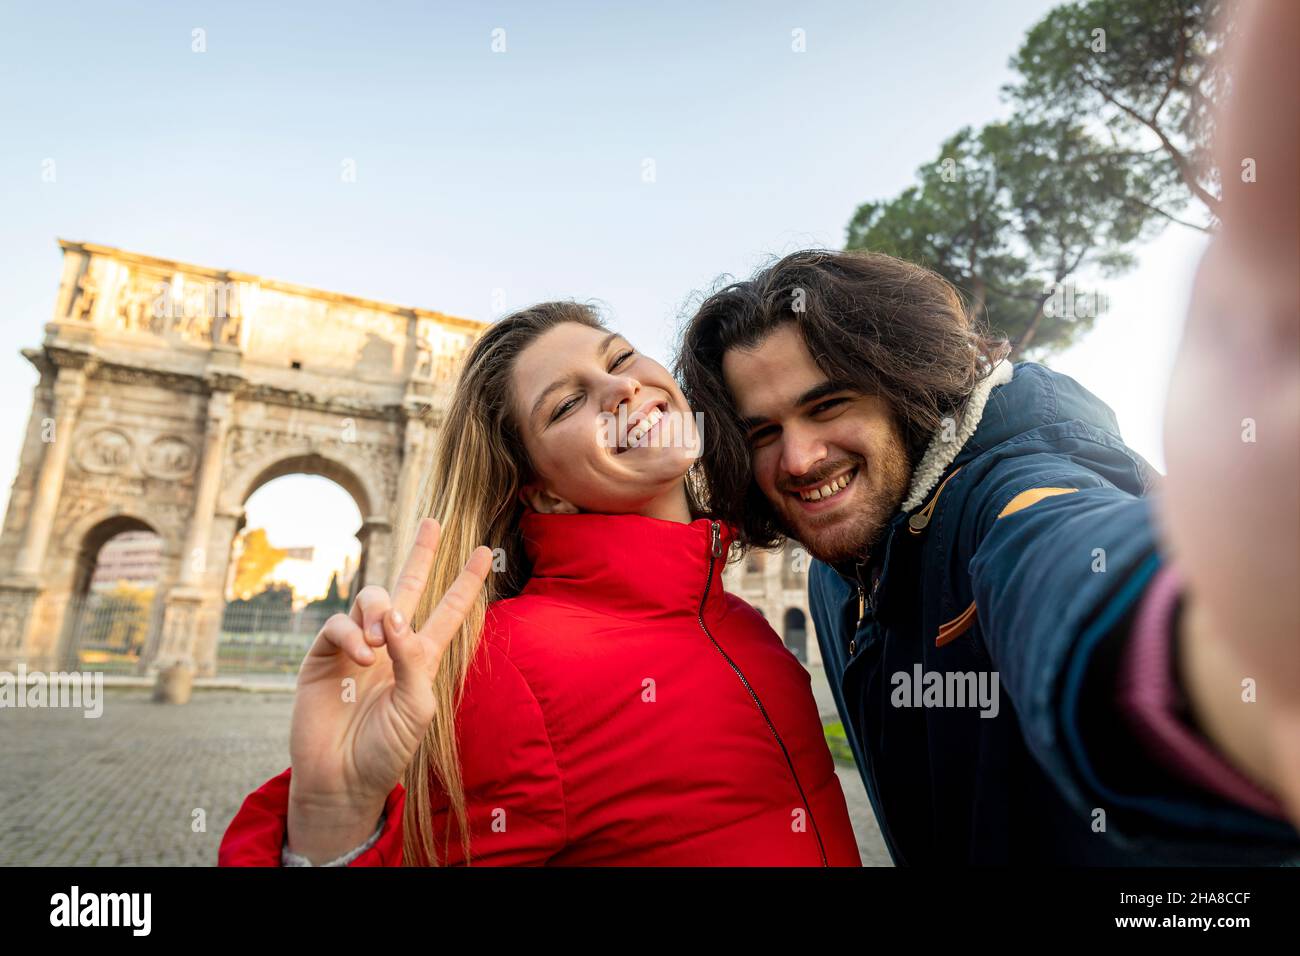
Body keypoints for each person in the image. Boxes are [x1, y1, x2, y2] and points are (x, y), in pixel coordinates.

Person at [675, 2, 1299, 863]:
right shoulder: (837, 569)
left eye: (829, 406)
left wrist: (1231, 650)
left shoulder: (1007, 486)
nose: (800, 457)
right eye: (763, 431)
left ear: (902, 386)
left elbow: (1072, 570)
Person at [219, 302, 862, 866]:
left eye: (621, 357)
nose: (620, 388)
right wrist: (333, 820)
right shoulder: (502, 667)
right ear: (543, 492)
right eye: (566, 403)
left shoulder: (740, 623)